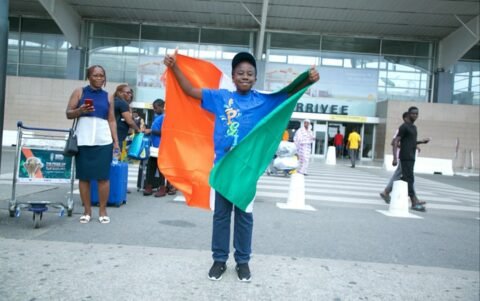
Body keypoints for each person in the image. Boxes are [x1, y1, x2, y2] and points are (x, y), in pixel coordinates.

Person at [164, 50, 319, 282]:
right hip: (224, 166)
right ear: (233, 76)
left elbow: (288, 94)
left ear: (255, 78)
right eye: (240, 73)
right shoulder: (221, 98)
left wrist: (308, 79)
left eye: (249, 73)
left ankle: (243, 262)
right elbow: (189, 90)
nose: (245, 76)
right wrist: (175, 67)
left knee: (245, 216)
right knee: (221, 216)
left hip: (246, 170)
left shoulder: (263, 100)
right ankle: (219, 260)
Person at [65, 65, 119, 224]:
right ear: (89, 77)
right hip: (83, 140)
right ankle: (87, 211)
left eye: (102, 75)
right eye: (95, 75)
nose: (99, 78)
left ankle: (103, 211)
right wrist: (80, 110)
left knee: (103, 178)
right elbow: (68, 113)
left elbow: (111, 119)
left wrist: (116, 141)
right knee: (84, 177)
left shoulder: (109, 96)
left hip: (103, 141)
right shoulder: (79, 92)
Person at [392, 106, 430, 212]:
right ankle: (413, 202)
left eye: (417, 114)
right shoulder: (404, 127)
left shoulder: (413, 127)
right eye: (413, 113)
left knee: (407, 179)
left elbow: (411, 142)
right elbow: (395, 141)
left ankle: (413, 199)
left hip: (411, 156)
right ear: (408, 114)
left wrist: (422, 142)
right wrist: (395, 158)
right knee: (409, 179)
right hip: (405, 157)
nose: (415, 115)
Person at [143, 99, 176, 197]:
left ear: (162, 107)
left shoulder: (165, 117)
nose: (154, 110)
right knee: (150, 167)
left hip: (162, 146)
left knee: (161, 168)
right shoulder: (157, 117)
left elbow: (166, 132)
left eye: (156, 108)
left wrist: (151, 131)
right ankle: (149, 186)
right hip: (154, 146)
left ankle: (162, 187)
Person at [114, 84, 141, 154]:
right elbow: (129, 121)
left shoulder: (114, 101)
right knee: (115, 157)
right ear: (119, 93)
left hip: (112, 136)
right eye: (128, 93)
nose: (130, 95)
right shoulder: (122, 103)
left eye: (130, 93)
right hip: (118, 137)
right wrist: (137, 129)